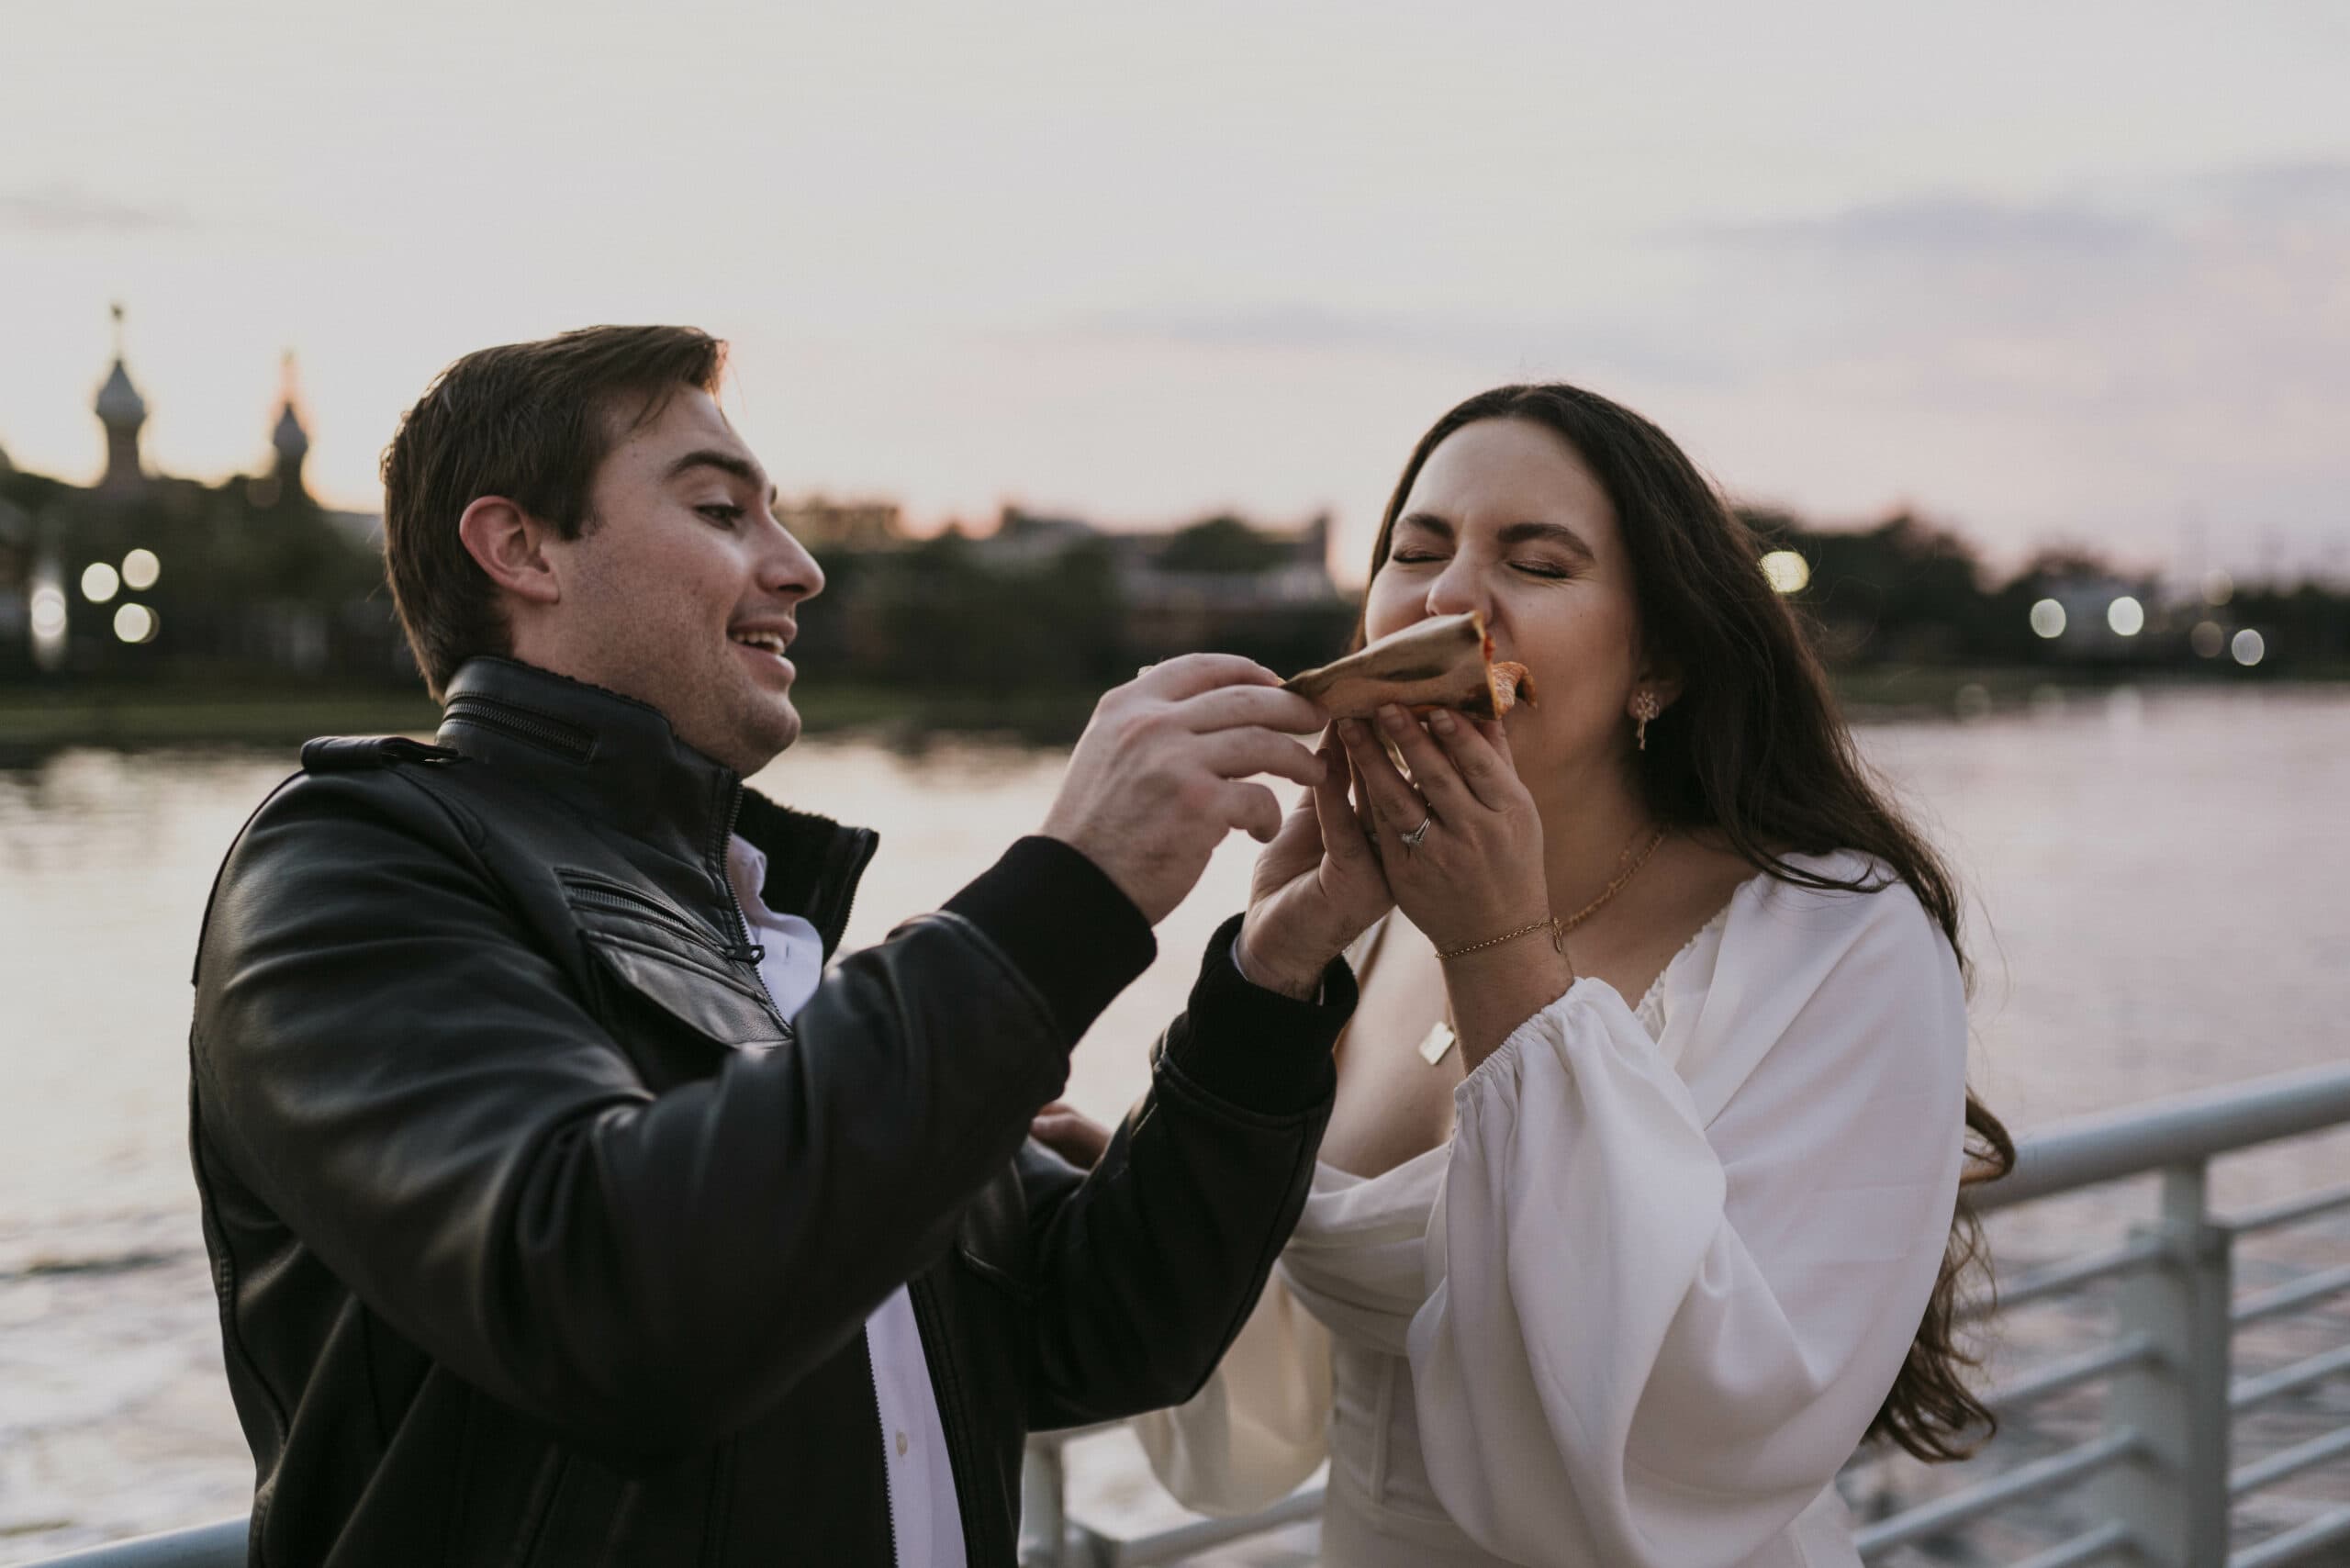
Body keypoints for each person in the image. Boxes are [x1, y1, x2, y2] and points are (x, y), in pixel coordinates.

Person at [185, 325, 1383, 1567]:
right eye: (720, 511)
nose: (801, 568)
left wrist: (1270, 980)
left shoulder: (771, 945)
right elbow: (608, 1302)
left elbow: (1107, 1326)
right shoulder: (350, 864)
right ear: (519, 547)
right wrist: (1070, 891)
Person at [1124, 383, 2016, 1566]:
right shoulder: (1352, 919)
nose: (1449, 600)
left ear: (1663, 662)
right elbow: (1244, 1344)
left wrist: (1500, 951)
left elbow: (1738, 1400)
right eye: (1417, 551)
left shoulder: (1835, 937)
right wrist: (1181, 1131)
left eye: (1537, 564)